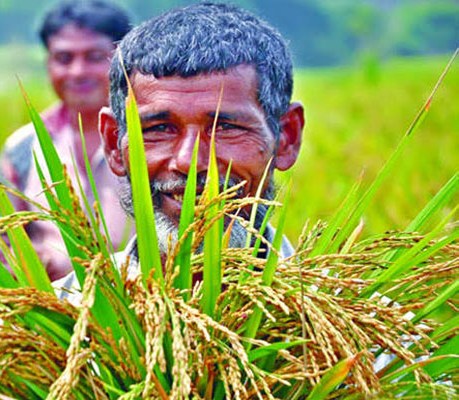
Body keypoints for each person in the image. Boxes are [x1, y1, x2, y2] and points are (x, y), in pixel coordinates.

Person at [54, 2, 304, 298]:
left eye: (226, 127)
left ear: (286, 138)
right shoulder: (64, 315)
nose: (188, 161)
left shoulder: (359, 329)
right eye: (159, 129)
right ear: (113, 144)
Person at [0, 1, 132, 281]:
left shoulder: (154, 136)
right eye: (64, 58)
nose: (77, 72)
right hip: (52, 312)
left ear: (122, 60)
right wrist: (32, 263)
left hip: (145, 306)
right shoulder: (24, 146)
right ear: (48, 62)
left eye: (95, 57)